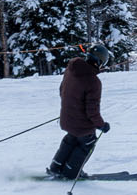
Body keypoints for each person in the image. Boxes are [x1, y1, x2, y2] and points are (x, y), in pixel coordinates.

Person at [46, 44, 111, 179]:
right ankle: (71, 172)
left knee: (71, 138)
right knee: (88, 142)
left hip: (67, 118)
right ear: (99, 62)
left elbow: (62, 90)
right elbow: (92, 110)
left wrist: (70, 108)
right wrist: (101, 125)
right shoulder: (93, 81)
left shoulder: (71, 69)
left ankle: (56, 166)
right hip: (80, 123)